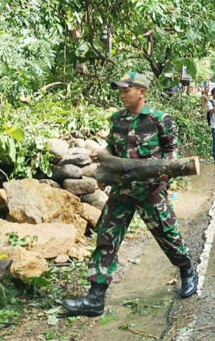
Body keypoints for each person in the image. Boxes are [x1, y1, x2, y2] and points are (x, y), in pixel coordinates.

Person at [62, 71, 198, 317]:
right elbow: (113, 149)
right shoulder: (117, 120)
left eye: (127, 89)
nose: (122, 94)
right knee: (106, 237)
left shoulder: (159, 119)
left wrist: (167, 171)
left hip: (151, 190)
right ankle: (95, 298)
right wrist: (103, 162)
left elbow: (171, 149)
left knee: (168, 236)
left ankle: (187, 270)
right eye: (121, 90)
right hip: (122, 191)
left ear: (142, 92)